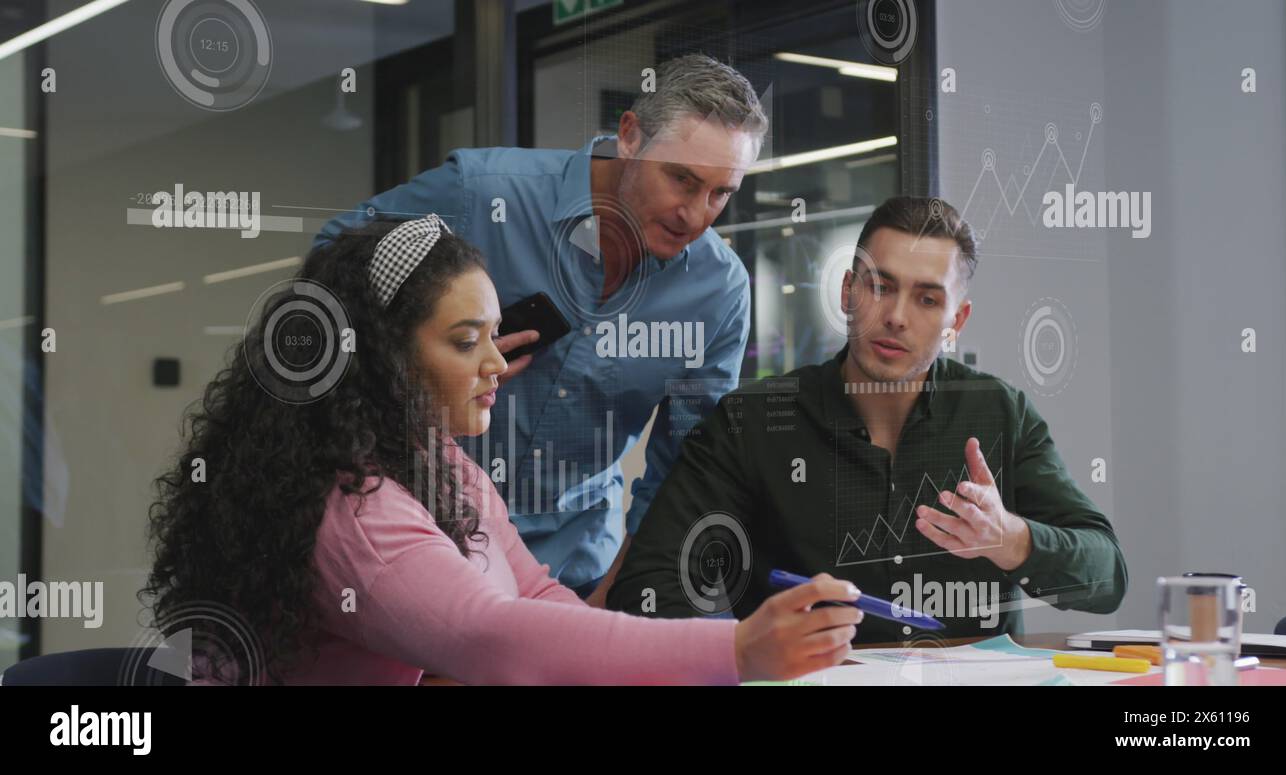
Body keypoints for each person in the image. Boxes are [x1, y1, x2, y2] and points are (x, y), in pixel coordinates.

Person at [142, 215, 862, 684]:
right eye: (465, 340)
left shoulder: (431, 456)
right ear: (382, 357)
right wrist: (732, 651)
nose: (496, 363)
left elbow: (536, 591)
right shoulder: (356, 509)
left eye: (493, 333)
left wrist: (678, 652)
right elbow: (493, 638)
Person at [315, 53, 765, 605]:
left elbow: (684, 469)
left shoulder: (718, 292)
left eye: (720, 193)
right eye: (681, 179)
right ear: (630, 136)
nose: (695, 214)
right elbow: (330, 274)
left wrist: (613, 596)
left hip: (577, 573)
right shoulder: (480, 194)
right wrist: (437, 348)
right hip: (423, 549)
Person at [607, 196, 1128, 640]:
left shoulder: (1000, 414)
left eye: (927, 298)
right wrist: (745, 645)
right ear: (847, 291)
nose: (897, 316)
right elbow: (649, 584)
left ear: (956, 321)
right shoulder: (755, 422)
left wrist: (1012, 540)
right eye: (880, 286)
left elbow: (1107, 576)